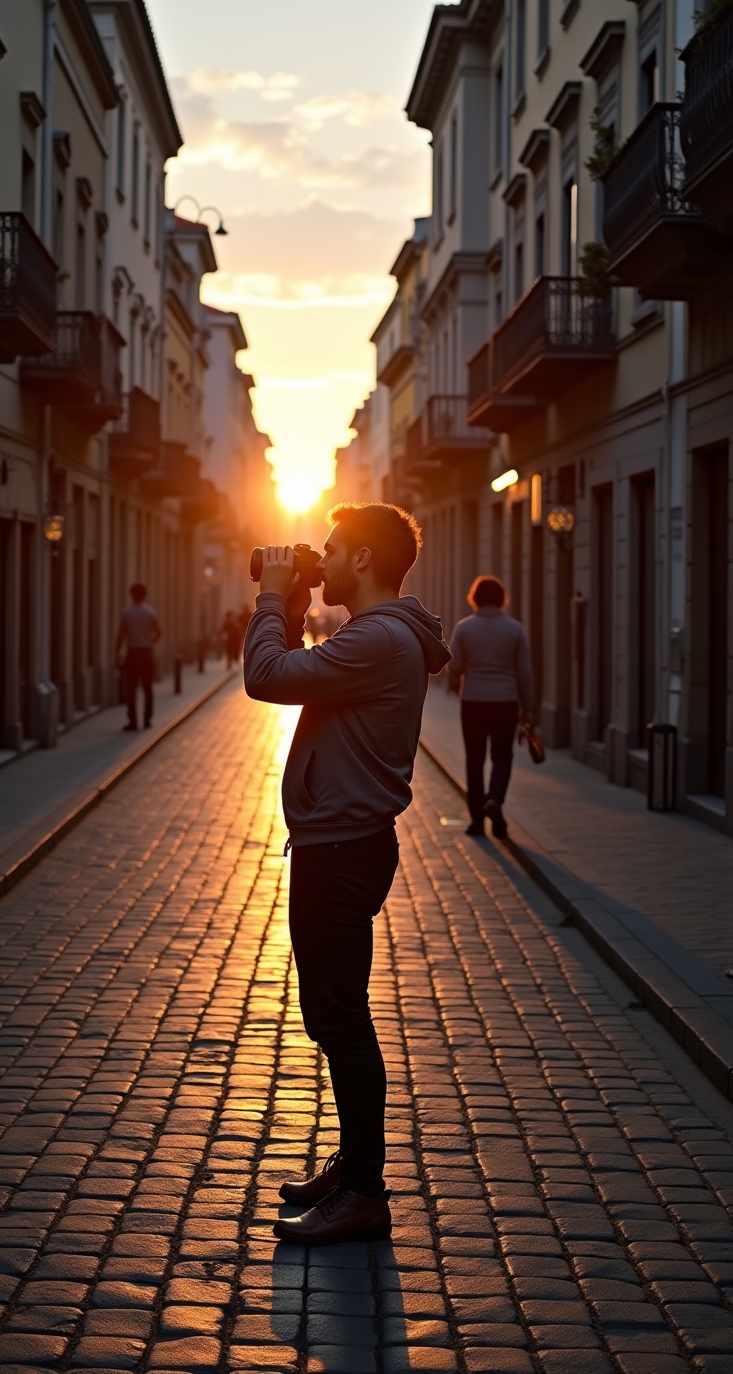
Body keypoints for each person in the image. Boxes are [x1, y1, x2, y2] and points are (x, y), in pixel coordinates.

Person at [244, 503, 450, 1246]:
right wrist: (293, 605)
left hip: (339, 851)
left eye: (331, 552)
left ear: (363, 560)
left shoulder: (378, 638)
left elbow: (267, 678)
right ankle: (355, 1166)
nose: (320, 561)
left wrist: (271, 597)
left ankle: (365, 1191)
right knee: (338, 1015)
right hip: (342, 844)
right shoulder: (383, 637)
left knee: (338, 1020)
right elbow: (299, 674)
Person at [448, 574, 534, 840]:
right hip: (505, 702)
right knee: (502, 756)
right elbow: (524, 671)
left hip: (473, 701)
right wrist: (527, 707)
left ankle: (476, 821)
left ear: (474, 598)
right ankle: (494, 800)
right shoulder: (515, 629)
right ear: (501, 600)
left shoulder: (464, 628)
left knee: (474, 759)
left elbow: (455, 667)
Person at [114, 582, 161, 732]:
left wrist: (117, 654)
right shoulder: (150, 613)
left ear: (131, 595)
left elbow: (121, 636)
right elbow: (159, 632)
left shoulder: (126, 613)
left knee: (131, 688)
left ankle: (132, 721)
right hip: (147, 653)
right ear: (145, 595)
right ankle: (147, 719)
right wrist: (150, 641)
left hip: (132, 653)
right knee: (148, 688)